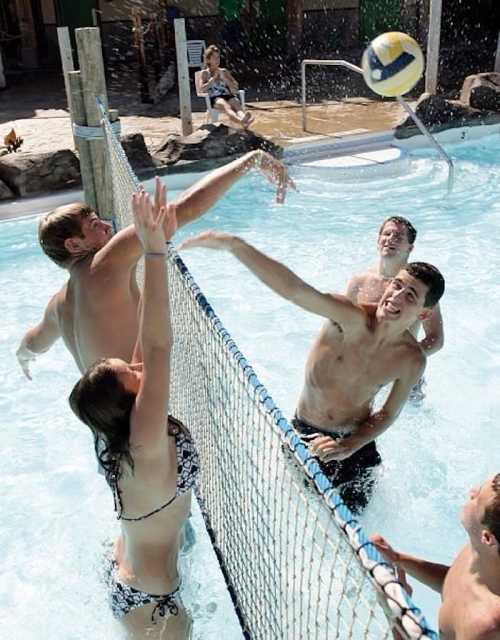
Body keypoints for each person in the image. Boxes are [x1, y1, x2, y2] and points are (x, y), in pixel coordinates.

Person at [179, 230, 445, 513]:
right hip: (308, 435)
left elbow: (388, 413)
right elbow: (295, 290)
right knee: (303, 515)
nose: (395, 296)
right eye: (397, 285)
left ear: (424, 314)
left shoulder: (411, 359)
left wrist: (352, 444)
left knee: (353, 535)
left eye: (410, 295)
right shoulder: (349, 317)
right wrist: (236, 246)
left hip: (358, 448)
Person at [16, 150, 293, 378]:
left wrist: (23, 359)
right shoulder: (107, 262)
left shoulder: (57, 305)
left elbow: (32, 344)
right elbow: (184, 209)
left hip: (103, 428)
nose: (105, 225)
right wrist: (252, 160)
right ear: (74, 245)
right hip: (140, 420)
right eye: (93, 225)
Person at [70, 191, 195, 638]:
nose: (138, 364)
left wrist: (152, 244)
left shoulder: (125, 431)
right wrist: (155, 252)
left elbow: (148, 341)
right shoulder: (142, 437)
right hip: (151, 603)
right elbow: (160, 348)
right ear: (128, 401)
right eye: (130, 371)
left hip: (131, 571)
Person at [372, 474, 500, 640]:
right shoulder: (479, 550)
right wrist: (398, 559)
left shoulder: (484, 627)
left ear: (488, 538)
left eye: (477, 499)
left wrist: (396, 612)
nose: (472, 492)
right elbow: (455, 584)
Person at [346, 216, 444, 402]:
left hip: (402, 375)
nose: (390, 239)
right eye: (387, 233)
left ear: (410, 248)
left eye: (398, 237)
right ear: (378, 240)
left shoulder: (419, 290)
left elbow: (436, 339)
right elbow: (341, 325)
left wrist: (401, 360)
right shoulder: (359, 282)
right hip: (362, 370)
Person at [198, 44, 253, 128]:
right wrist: (212, 79)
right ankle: (241, 121)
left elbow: (236, 86)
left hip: (227, 95)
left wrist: (225, 79)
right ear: (208, 60)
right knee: (226, 106)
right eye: (214, 58)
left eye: (218, 57)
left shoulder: (224, 71)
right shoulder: (205, 73)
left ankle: (243, 118)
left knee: (236, 104)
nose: (217, 60)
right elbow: (201, 89)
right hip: (215, 98)